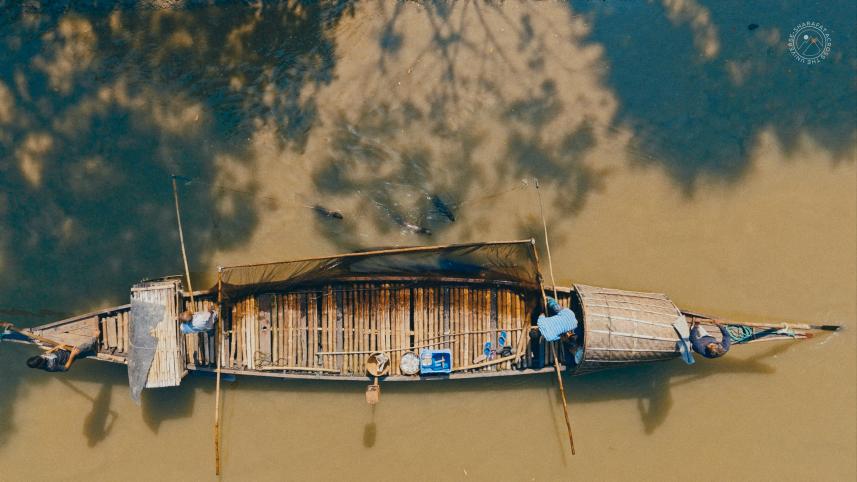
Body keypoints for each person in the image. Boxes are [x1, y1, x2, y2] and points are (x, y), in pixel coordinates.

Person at [26, 337, 97, 372]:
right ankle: (95, 337)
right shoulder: (51, 367)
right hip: (70, 355)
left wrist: (57, 347)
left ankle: (93, 350)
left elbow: (46, 353)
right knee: (83, 348)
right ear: (40, 364)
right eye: (43, 359)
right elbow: (65, 368)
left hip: (63, 350)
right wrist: (72, 355)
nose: (44, 357)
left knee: (87, 352)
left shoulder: (39, 359)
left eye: (42, 357)